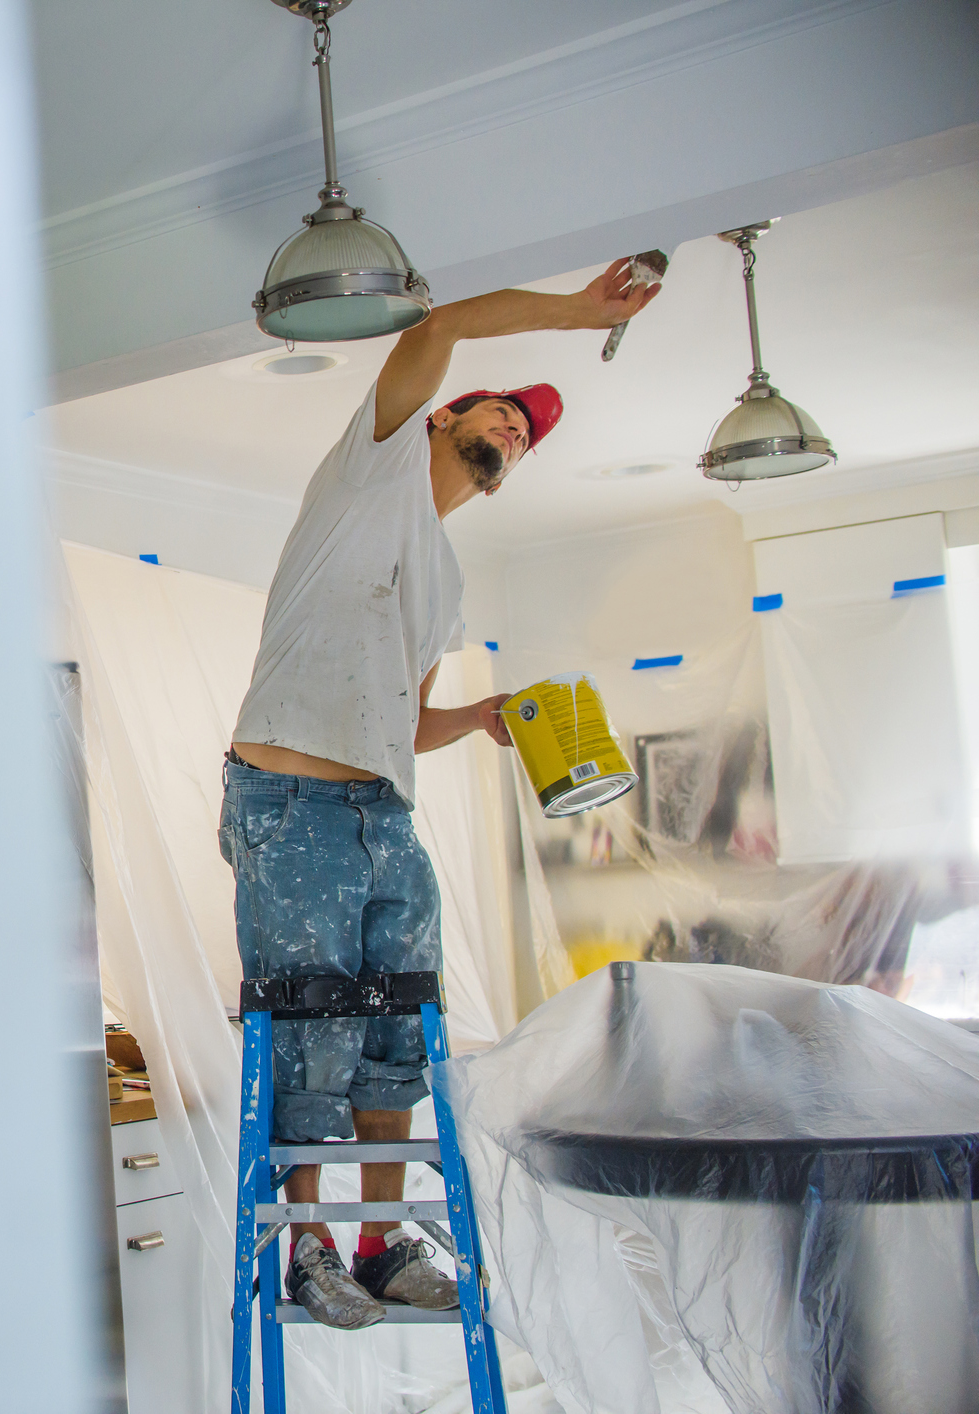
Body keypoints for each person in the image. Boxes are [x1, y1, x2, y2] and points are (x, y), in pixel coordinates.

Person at [220, 261, 662, 1329]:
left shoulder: (447, 578)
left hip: (384, 812)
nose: (510, 432)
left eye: (521, 435)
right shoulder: (369, 466)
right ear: (442, 416)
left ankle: (379, 1245)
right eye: (500, 413)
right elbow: (450, 320)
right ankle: (306, 1250)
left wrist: (478, 718)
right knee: (304, 1033)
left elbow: (404, 717)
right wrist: (576, 313)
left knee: (396, 1033)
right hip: (287, 803)